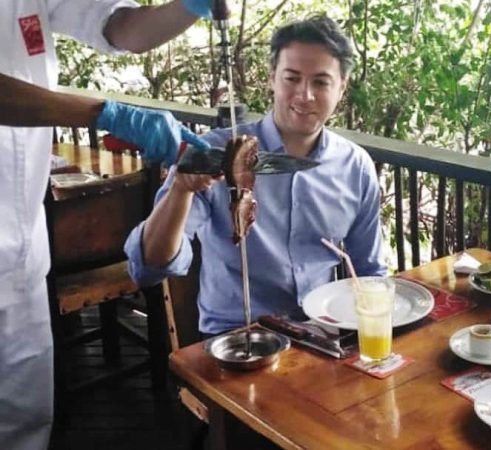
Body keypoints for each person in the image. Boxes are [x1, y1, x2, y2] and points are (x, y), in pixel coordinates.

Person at [0, 1, 214, 448]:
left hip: (22, 255)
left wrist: (194, 5)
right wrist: (103, 114)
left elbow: (122, 28)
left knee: (26, 419)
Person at [125, 15, 387, 336]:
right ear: (272, 79)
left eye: (321, 82)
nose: (305, 95)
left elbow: (370, 271)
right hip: (236, 336)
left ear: (341, 88)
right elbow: (149, 267)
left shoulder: (355, 165)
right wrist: (181, 189)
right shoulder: (217, 153)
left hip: (323, 335)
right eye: (292, 78)